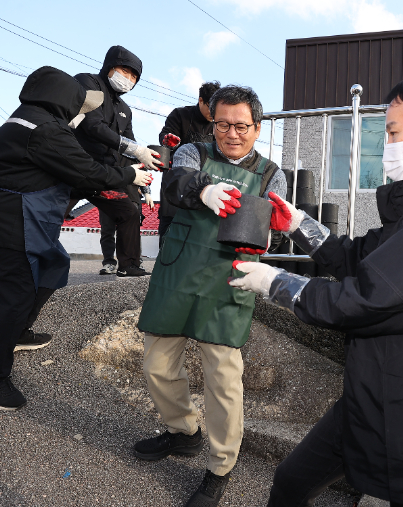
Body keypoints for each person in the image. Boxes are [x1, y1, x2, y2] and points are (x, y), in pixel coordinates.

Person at [229, 72, 403, 507]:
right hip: (372, 399)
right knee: (291, 482)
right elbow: (360, 256)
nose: (387, 145)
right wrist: (299, 225)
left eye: (394, 132)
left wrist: (276, 282)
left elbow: (371, 297)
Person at [0, 66, 152, 411]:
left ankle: (18, 332)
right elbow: (88, 170)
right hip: (8, 220)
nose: (82, 112)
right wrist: (131, 174)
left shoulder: (22, 121)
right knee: (16, 294)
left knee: (54, 263)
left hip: (7, 216)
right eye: (80, 105)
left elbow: (68, 174)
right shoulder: (46, 130)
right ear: (63, 99)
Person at [133, 85, 287, 507]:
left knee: (223, 380)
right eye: (222, 124)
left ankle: (220, 466)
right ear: (212, 122)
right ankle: (183, 431)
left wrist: (274, 229)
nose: (231, 133)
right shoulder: (193, 153)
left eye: (241, 126)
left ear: (257, 127)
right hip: (178, 272)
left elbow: (278, 220)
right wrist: (203, 190)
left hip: (230, 281)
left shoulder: (272, 174)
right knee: (157, 365)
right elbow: (175, 181)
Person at [73, 45, 162, 277]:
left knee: (128, 212)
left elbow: (132, 145)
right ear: (110, 66)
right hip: (73, 167)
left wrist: (146, 177)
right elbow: (91, 125)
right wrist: (135, 148)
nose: (129, 79)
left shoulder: (125, 110)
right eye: (126, 71)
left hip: (104, 175)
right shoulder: (88, 83)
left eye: (134, 77)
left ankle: (129, 264)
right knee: (52, 211)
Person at [157, 80, 221, 241]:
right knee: (169, 226)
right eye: (210, 108)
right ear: (201, 100)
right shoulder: (180, 115)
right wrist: (169, 141)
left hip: (207, 183)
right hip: (177, 180)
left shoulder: (219, 124)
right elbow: (165, 136)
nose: (214, 115)